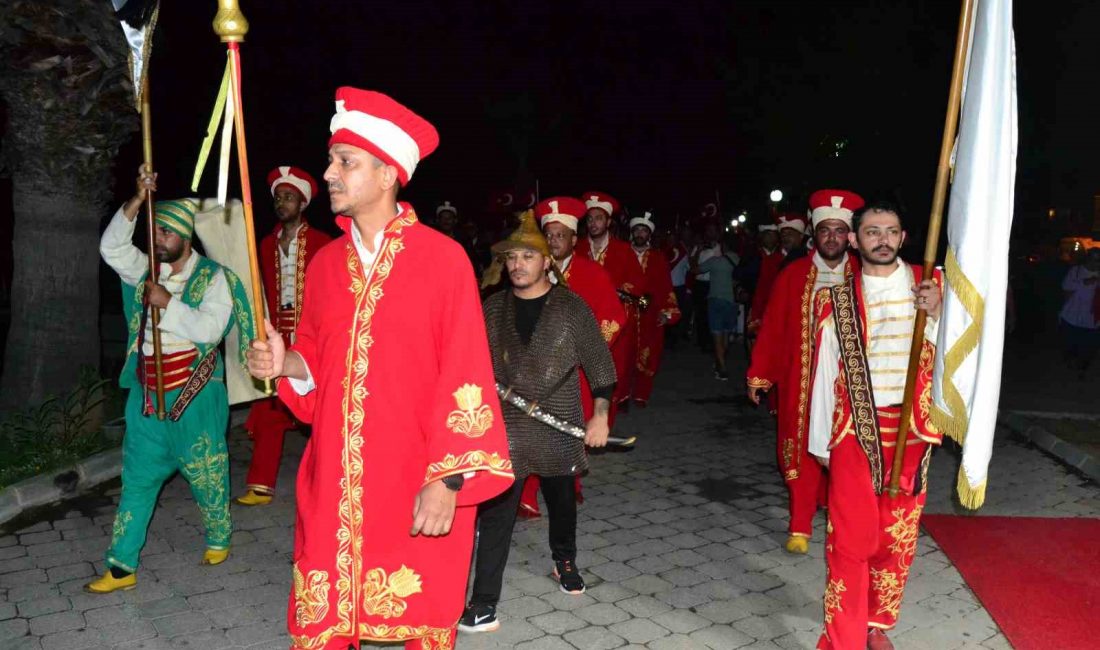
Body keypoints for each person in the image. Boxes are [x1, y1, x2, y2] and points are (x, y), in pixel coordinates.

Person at [245, 87, 513, 650]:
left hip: (416, 478)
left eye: (345, 162)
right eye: (332, 159)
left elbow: (466, 374)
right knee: (323, 623)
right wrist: (283, 360)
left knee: (419, 617)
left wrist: (448, 481)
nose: (330, 173)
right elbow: (314, 362)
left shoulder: (443, 260)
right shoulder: (323, 265)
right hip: (333, 479)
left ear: (388, 173)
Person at [86, 167, 255, 593]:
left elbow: (210, 330)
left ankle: (219, 536)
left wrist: (167, 304)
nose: (156, 238)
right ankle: (122, 566)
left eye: (164, 232)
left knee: (207, 474)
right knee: (137, 481)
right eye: (153, 230)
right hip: (146, 397)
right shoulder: (144, 269)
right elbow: (111, 247)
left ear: (183, 236)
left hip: (194, 397)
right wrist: (137, 200)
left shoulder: (213, 277)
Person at [460, 214, 617, 633]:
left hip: (558, 423)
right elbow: (471, 367)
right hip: (506, 425)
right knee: (495, 515)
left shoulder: (571, 307)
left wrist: (599, 414)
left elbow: (600, 367)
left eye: (528, 255)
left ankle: (564, 559)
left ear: (547, 261)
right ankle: (484, 601)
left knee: (562, 504)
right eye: (512, 256)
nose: (518, 264)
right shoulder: (493, 308)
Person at [807, 200, 943, 650]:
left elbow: (961, 361)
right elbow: (825, 375)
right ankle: (842, 639)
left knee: (895, 535)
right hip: (852, 432)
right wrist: (821, 446)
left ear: (903, 238)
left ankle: (875, 625)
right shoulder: (836, 299)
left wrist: (941, 316)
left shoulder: (933, 286)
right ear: (853, 240)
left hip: (912, 431)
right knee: (850, 539)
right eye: (871, 232)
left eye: (890, 231)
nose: (882, 239)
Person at [746, 189, 863, 555]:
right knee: (799, 452)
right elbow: (774, 327)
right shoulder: (794, 274)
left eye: (839, 231)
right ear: (814, 234)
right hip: (803, 382)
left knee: (847, 451)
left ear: (850, 236)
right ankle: (799, 524)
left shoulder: (865, 274)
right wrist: (760, 373)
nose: (832, 237)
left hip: (851, 383)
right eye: (825, 230)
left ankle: (837, 517)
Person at [516, 196, 626, 519]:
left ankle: (570, 483)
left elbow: (614, 317)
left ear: (574, 239)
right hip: (536, 369)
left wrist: (586, 350)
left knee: (570, 429)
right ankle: (528, 493)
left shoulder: (594, 274)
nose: (553, 241)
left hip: (574, 371)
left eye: (560, 235)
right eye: (548, 235)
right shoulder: (533, 270)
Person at [237, 166, 331, 506]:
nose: (282, 202)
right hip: (276, 334)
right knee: (269, 406)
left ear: (302, 203)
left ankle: (326, 478)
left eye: (289, 197)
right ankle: (260, 483)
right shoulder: (261, 244)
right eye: (278, 197)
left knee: (322, 408)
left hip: (311, 337)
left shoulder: (324, 243)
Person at [574, 191, 646, 409]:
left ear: (608, 222)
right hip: (583, 317)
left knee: (617, 363)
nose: (593, 223)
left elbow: (638, 283)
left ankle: (614, 400)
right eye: (590, 218)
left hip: (615, 317)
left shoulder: (624, 250)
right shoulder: (577, 249)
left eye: (598, 218)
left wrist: (620, 291)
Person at [627, 211, 681, 406]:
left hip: (651, 313)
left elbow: (665, 286)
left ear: (649, 235)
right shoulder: (622, 253)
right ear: (632, 233)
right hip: (625, 312)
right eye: (637, 230)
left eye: (644, 231)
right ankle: (622, 395)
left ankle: (641, 394)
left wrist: (667, 313)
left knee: (650, 354)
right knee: (623, 355)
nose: (640, 234)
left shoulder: (658, 258)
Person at [691, 239, 739, 380]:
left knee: (717, 335)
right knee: (725, 334)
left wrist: (697, 253)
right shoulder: (737, 259)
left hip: (716, 300)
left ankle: (722, 368)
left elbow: (694, 270)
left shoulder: (715, 261)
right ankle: (720, 361)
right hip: (732, 302)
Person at [1059, 247, 1100, 378]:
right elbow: (1065, 287)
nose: (1096, 263)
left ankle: (1082, 369)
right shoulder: (1076, 271)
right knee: (1070, 345)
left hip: (1093, 320)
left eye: (1099, 260)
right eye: (1093, 259)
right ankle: (1070, 362)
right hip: (1072, 317)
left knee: (1089, 348)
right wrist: (1084, 282)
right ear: (1088, 259)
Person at [746, 222, 782, 333]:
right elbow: (741, 274)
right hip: (755, 303)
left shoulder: (784, 256)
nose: (769, 238)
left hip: (777, 305)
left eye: (772, 234)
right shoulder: (752, 255)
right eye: (767, 234)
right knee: (754, 337)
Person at [691, 220, 722, 351]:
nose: (710, 233)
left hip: (712, 283)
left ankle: (712, 341)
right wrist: (698, 250)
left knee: (712, 313)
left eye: (712, 230)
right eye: (708, 230)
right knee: (700, 312)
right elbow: (692, 263)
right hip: (699, 283)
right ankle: (701, 340)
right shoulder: (699, 246)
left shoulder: (719, 247)